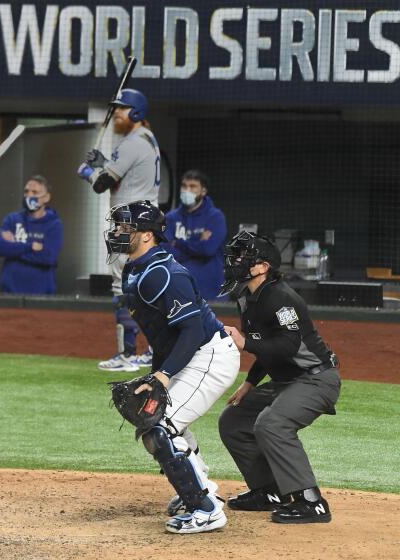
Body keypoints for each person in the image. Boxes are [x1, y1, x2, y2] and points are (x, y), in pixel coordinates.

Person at [104, 200, 240, 534]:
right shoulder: (134, 270)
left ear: (147, 235)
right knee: (156, 418)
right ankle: (201, 487)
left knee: (160, 426)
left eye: (126, 228)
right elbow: (161, 333)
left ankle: (206, 510)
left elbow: (192, 329)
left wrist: (164, 376)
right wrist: (157, 374)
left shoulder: (165, 274)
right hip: (188, 353)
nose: (118, 233)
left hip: (209, 354)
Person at [218, 231, 340, 524]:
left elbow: (287, 346)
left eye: (242, 256)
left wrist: (245, 343)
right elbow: (266, 346)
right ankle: (269, 491)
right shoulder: (247, 297)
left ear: (262, 266)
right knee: (233, 420)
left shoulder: (282, 299)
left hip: (316, 380)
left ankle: (312, 502)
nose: (234, 261)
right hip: (288, 383)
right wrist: (249, 383)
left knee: (272, 424)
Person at [77, 88, 160, 372]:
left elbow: (102, 184)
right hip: (146, 220)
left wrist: (88, 171)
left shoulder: (131, 143)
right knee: (146, 286)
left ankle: (126, 356)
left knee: (122, 287)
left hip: (128, 221)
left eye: (122, 109)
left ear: (136, 112)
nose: (117, 114)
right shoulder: (147, 138)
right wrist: (102, 163)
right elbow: (124, 174)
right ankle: (153, 350)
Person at [0, 175, 63, 295]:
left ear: (46, 198)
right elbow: (0, 248)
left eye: (35, 192)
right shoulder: (12, 220)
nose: (29, 195)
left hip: (42, 296)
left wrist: (14, 248)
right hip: (11, 293)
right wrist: (30, 247)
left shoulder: (54, 224)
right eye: (26, 191)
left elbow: (48, 257)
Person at [164, 170, 227, 301]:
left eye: (192, 186)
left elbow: (208, 250)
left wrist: (179, 243)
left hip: (211, 290)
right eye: (184, 186)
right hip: (179, 289)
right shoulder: (170, 218)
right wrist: (198, 244)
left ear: (203, 191)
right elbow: (166, 252)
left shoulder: (215, 217)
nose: (187, 190)